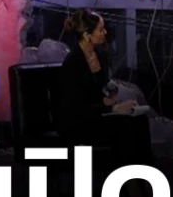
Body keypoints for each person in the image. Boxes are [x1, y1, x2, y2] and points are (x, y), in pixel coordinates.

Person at [56, 9, 138, 148]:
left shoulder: (100, 55)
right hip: (79, 121)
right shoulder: (72, 63)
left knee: (138, 119)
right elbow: (75, 106)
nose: (105, 32)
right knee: (127, 127)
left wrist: (108, 98)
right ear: (87, 35)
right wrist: (113, 108)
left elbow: (98, 91)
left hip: (97, 113)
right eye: (100, 30)